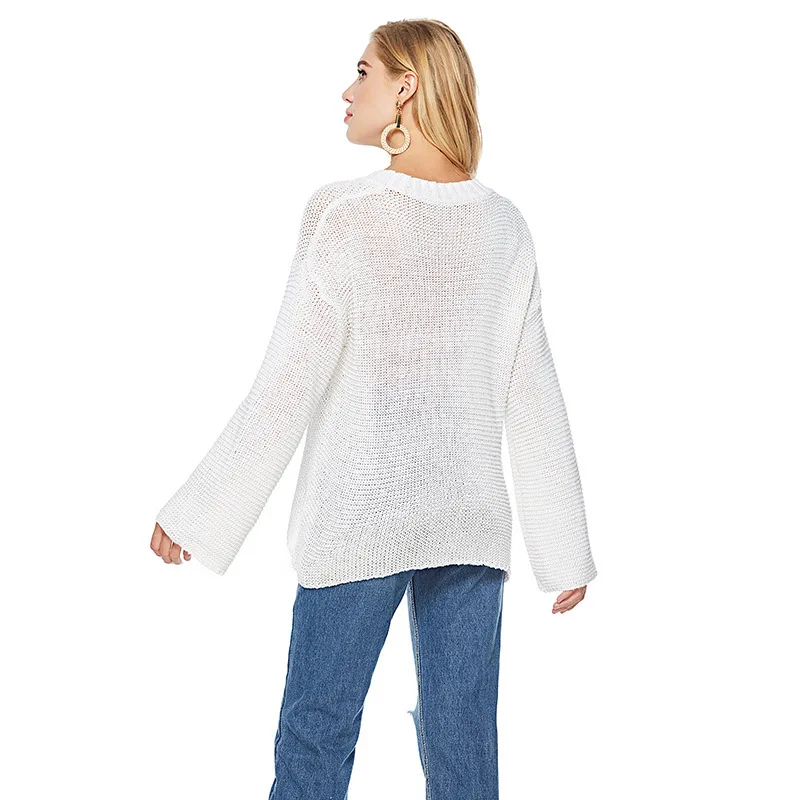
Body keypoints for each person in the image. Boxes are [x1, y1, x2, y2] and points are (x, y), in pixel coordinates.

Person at [150, 18, 598, 800]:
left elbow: (287, 383)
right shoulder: (504, 225)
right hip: (469, 524)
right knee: (463, 743)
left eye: (363, 72)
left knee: (317, 732)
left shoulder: (345, 213)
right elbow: (532, 393)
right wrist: (563, 551)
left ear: (406, 87)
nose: (346, 90)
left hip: (360, 520)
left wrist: (199, 513)